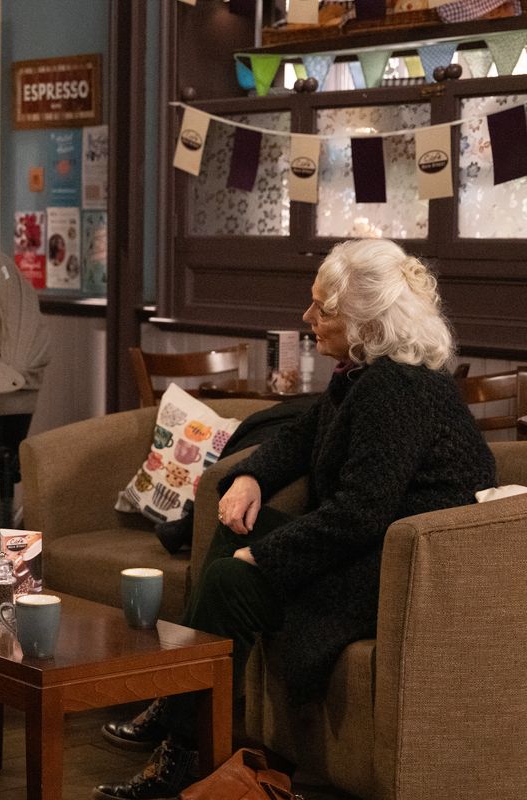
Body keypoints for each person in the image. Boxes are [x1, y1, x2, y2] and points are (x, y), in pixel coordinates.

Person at [94, 238, 497, 799]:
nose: (308, 319)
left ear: (365, 318)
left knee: (232, 577)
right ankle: (182, 708)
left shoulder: (397, 390)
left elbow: (360, 514)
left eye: (323, 309)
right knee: (233, 531)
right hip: (372, 548)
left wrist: (264, 554)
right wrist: (250, 478)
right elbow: (301, 435)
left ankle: (181, 753)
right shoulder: (362, 373)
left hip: (403, 574)